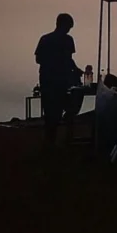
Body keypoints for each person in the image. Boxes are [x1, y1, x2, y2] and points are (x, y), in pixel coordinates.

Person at [34, 13, 83, 150]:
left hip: (49, 79)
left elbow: (38, 59)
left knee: (51, 111)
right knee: (59, 109)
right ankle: (56, 140)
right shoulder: (67, 40)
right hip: (59, 80)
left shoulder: (45, 39)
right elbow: (67, 59)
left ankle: (51, 141)